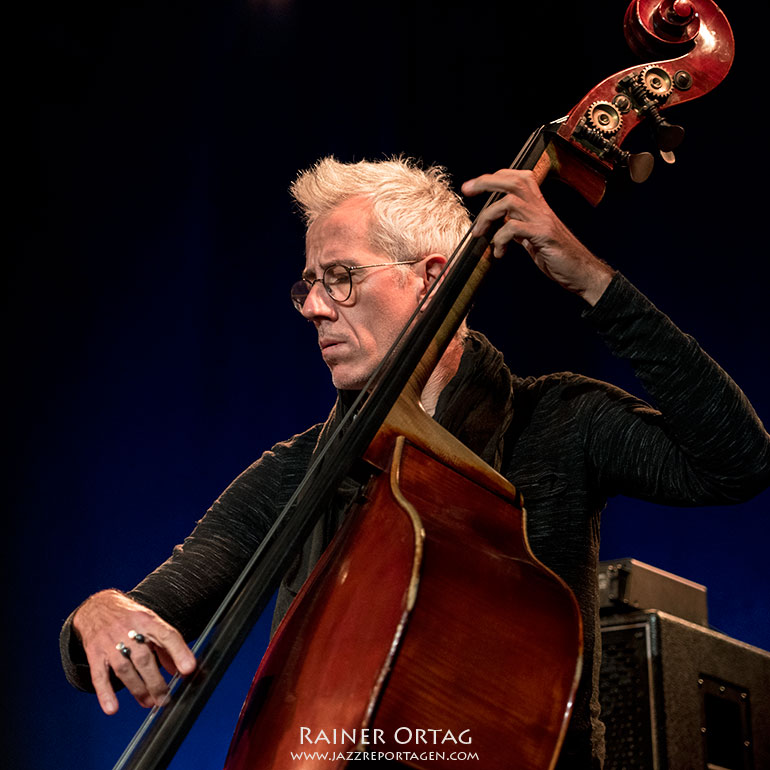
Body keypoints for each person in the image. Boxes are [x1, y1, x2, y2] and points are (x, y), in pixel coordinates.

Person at [60, 157, 770, 768]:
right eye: (307, 284)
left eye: (339, 276)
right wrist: (102, 611)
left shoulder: (557, 423)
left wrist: (592, 281)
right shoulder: (297, 471)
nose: (312, 306)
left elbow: (735, 462)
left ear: (431, 278)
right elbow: (157, 604)